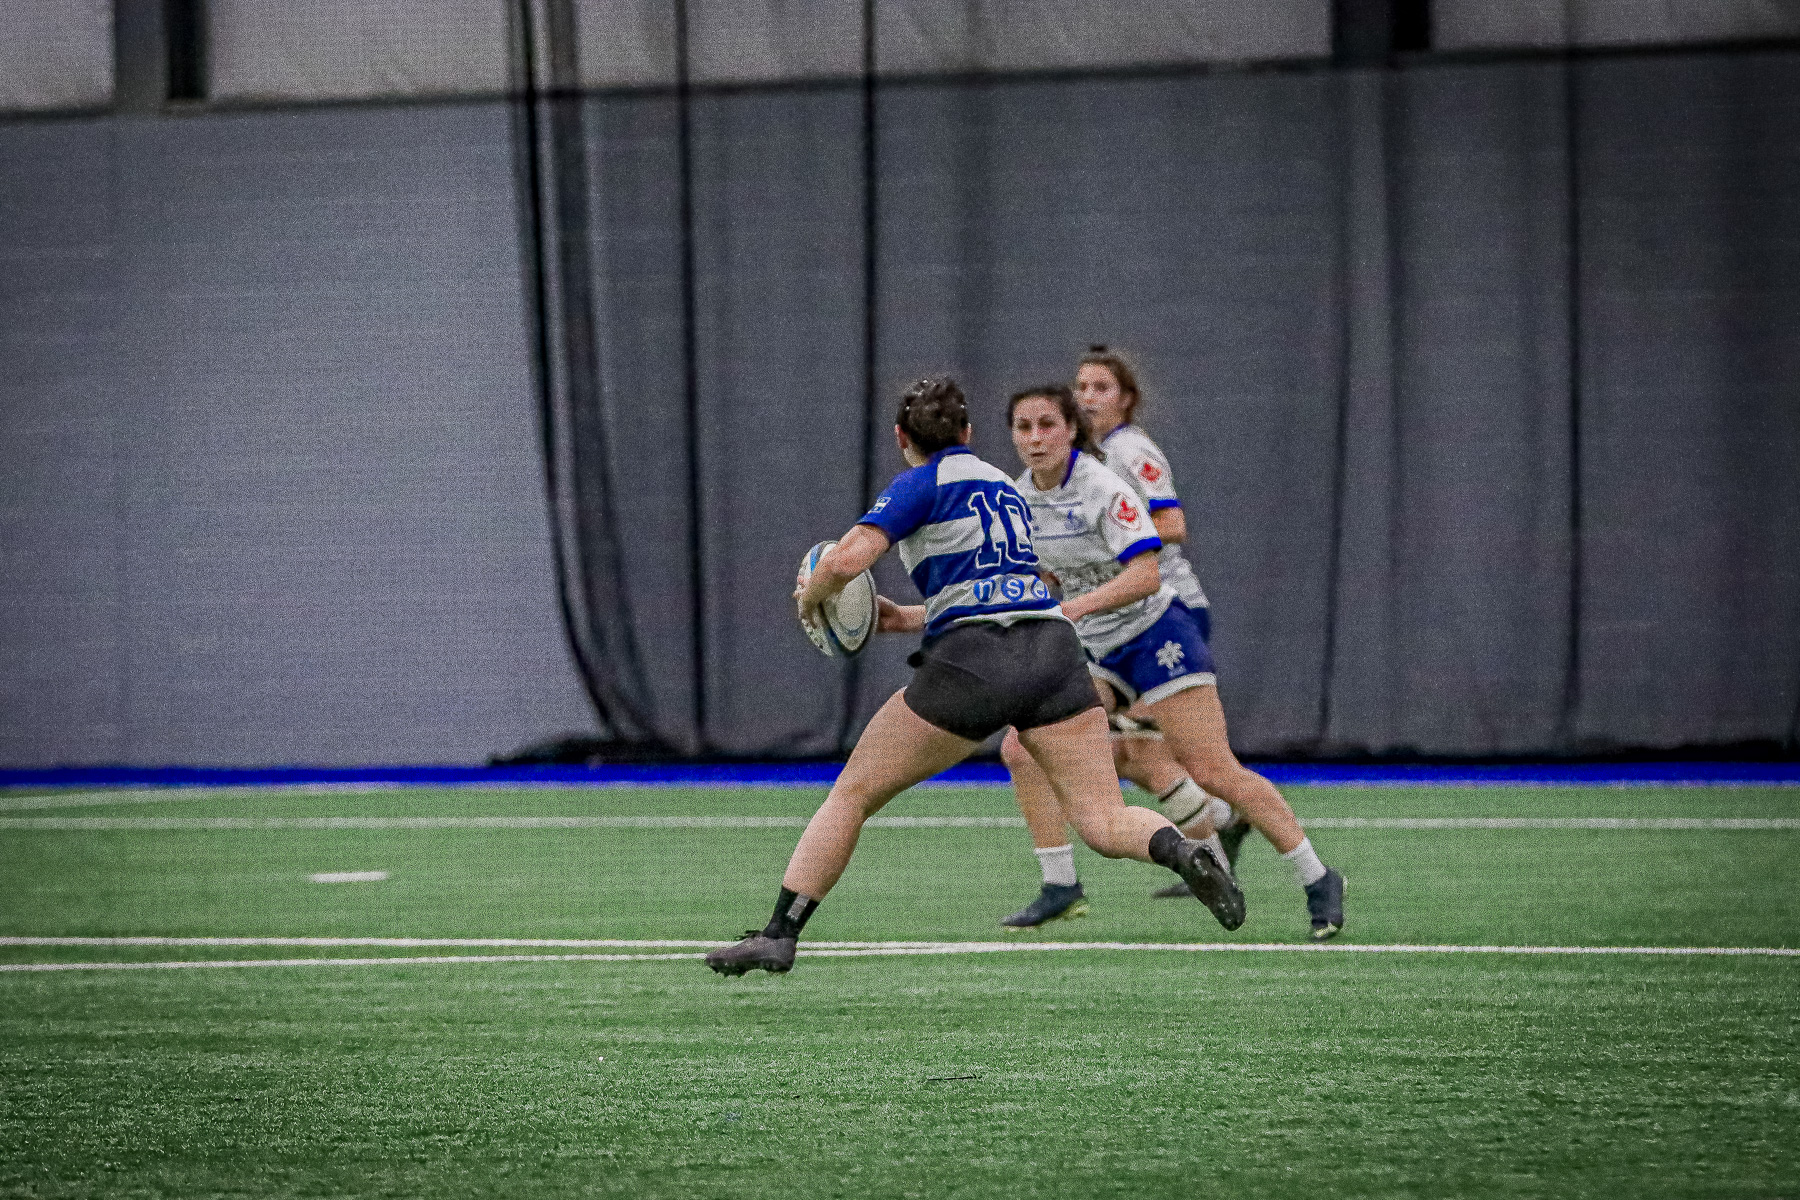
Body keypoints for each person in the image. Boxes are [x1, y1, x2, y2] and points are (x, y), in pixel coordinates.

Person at [704, 377, 1242, 976]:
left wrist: (815, 594)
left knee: (852, 795)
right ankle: (1184, 850)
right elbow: (997, 586)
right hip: (1053, 653)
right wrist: (909, 616)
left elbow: (844, 561)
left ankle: (780, 933)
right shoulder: (1003, 488)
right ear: (969, 433)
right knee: (1102, 817)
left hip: (974, 663)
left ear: (902, 438)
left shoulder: (920, 483)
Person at [1000, 375, 1345, 942]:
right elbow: (1041, 577)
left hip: (1155, 630)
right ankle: (1061, 884)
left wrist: (1077, 607)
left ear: (1070, 431)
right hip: (1095, 646)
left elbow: (1146, 574)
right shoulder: (1020, 498)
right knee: (1024, 746)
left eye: (1048, 425)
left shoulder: (1103, 486)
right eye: (1023, 427)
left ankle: (1318, 876)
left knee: (1212, 769)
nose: (1035, 437)